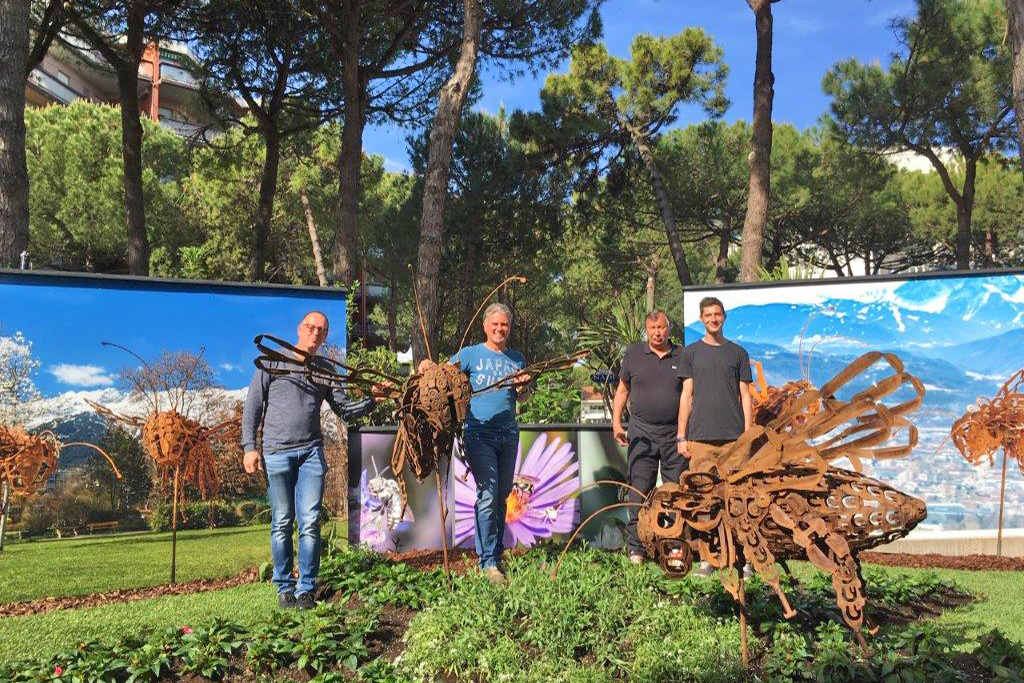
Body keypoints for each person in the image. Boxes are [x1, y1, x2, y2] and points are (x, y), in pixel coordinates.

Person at [242, 310, 389, 609]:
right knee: (282, 521)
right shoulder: (271, 361)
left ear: (325, 336)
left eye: (321, 330)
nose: (315, 333)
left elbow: (345, 411)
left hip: (311, 453)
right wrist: (249, 447)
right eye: (310, 327)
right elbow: (252, 408)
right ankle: (284, 587)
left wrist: (373, 399)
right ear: (299, 328)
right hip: (275, 452)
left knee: (310, 522)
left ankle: (306, 589)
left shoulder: (324, 369)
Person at [418, 303, 533, 583]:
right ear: (485, 326)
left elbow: (522, 398)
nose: (499, 328)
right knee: (488, 493)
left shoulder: (517, 358)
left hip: (508, 435)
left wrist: (525, 386)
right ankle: (488, 562)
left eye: (504, 324)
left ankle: (494, 551)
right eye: (495, 324)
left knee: (502, 495)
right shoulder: (470, 355)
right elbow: (443, 376)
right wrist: (427, 366)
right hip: (478, 433)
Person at [612, 310, 687, 564]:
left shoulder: (682, 355)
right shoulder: (634, 354)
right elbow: (622, 392)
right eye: (652, 328)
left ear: (669, 328)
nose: (657, 333)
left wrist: (685, 433)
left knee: (674, 494)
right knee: (638, 491)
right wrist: (616, 425)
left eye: (662, 328)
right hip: (641, 432)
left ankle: (673, 547)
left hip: (674, 435)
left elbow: (690, 396)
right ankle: (636, 549)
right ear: (647, 330)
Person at [676, 297, 753, 466]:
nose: (713, 319)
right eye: (708, 315)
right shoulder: (690, 353)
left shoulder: (739, 353)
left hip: (734, 440)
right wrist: (681, 436)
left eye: (717, 314)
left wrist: (748, 436)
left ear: (724, 317)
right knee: (701, 490)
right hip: (700, 440)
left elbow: (746, 397)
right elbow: (687, 396)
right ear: (701, 319)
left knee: (737, 491)